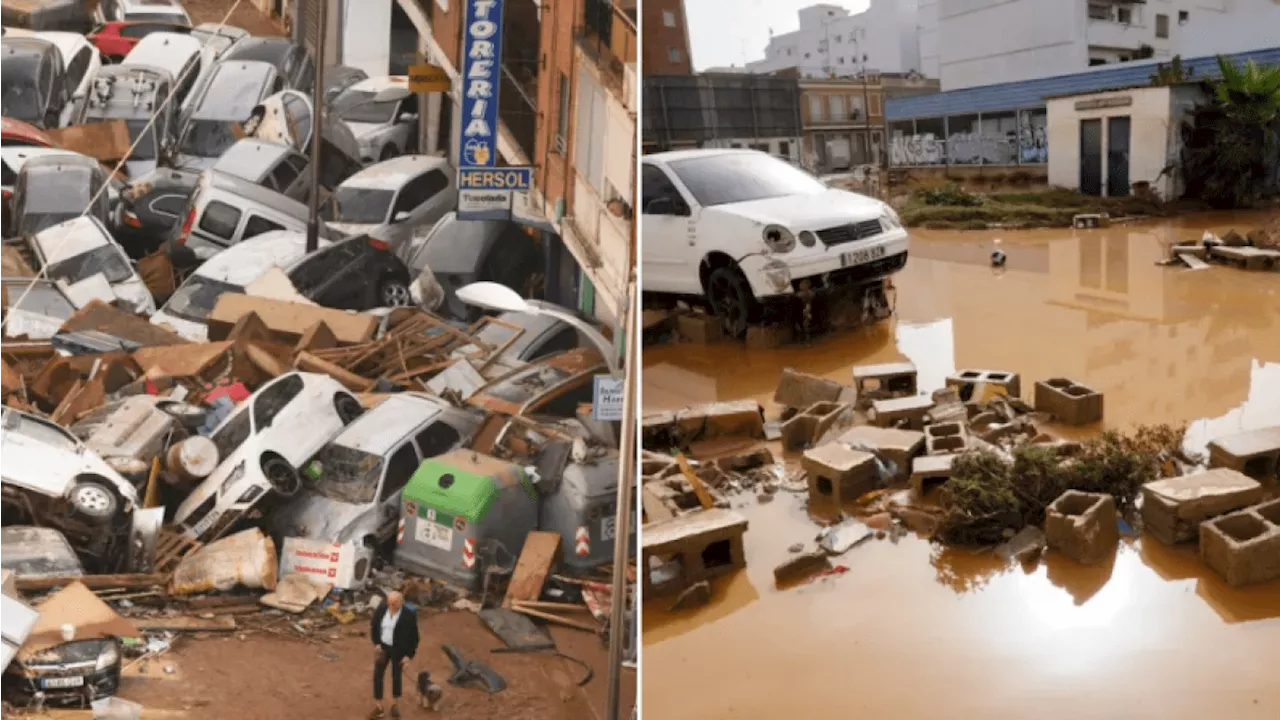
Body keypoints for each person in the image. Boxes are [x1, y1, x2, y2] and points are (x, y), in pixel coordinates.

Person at [369, 590, 419, 719]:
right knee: (377, 675)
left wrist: (408, 656)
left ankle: (394, 705)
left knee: (396, 677)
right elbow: (374, 626)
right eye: (389, 602)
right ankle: (379, 707)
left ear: (401, 603)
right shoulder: (382, 610)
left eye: (394, 603)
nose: (391, 605)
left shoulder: (408, 615)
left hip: (399, 650)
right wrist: (376, 643)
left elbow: (414, 637)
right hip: (383, 648)